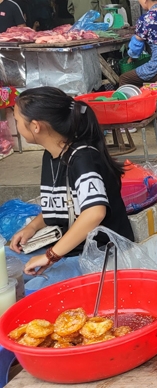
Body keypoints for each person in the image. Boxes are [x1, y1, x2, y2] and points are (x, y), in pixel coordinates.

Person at [8, 87, 134, 288]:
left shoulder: (83, 158)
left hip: (99, 254)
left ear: (35, 126)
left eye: (16, 120)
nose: (12, 125)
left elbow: (94, 213)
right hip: (70, 250)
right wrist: (32, 227)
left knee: (32, 289)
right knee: (8, 264)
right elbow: (66, 204)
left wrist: (50, 256)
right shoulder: (51, 155)